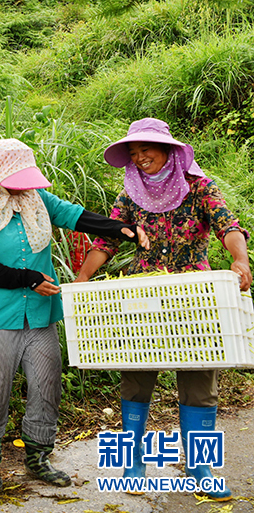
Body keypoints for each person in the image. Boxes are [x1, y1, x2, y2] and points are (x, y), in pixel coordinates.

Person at [75, 118, 251, 501]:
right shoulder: (130, 195)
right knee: (136, 376)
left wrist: (241, 260)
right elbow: (108, 239)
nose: (140, 159)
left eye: (146, 151)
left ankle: (200, 465)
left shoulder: (198, 187)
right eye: (133, 154)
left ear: (169, 151)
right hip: (146, 297)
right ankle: (132, 461)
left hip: (194, 296)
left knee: (200, 378)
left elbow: (227, 224)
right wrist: (83, 276)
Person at [0, 139, 147, 495]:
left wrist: (118, 229)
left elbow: (75, 216)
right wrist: (27, 279)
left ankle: (38, 457)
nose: (23, 187)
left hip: (42, 316)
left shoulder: (37, 201)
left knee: (47, 386)